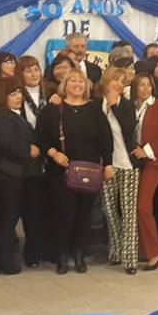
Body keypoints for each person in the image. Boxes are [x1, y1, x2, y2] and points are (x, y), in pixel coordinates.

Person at [36, 68, 114, 274]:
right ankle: (62, 255)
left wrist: (108, 164)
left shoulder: (94, 109)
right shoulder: (53, 109)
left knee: (84, 214)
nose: (77, 84)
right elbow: (40, 137)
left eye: (81, 81)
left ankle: (79, 253)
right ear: (65, 85)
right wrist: (54, 153)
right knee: (64, 214)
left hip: (90, 171)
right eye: (73, 80)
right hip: (61, 171)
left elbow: (106, 139)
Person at [0, 77, 45, 274]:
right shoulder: (3, 116)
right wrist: (29, 150)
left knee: (7, 218)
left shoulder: (12, 114)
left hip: (15, 174)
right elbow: (6, 142)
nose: (18, 97)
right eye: (13, 94)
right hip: (8, 175)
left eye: (19, 93)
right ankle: (3, 261)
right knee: (7, 219)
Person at [97, 67, 141, 274]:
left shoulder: (126, 105)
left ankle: (130, 258)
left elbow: (129, 128)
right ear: (106, 81)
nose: (119, 84)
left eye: (122, 81)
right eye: (115, 79)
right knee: (108, 208)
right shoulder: (96, 105)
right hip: (106, 163)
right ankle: (115, 250)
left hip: (128, 164)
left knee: (129, 211)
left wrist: (115, 105)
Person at [131, 72, 158, 270]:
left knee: (143, 206)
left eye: (148, 85)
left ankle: (155, 252)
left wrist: (147, 151)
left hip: (154, 161)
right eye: (141, 85)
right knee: (136, 207)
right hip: (134, 161)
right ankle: (144, 248)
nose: (145, 88)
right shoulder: (132, 106)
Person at [15, 55, 52, 267]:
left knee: (49, 207)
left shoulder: (50, 93)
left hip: (50, 157)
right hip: (29, 159)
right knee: (32, 208)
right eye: (28, 70)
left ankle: (48, 248)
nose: (33, 74)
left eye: (36, 69)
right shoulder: (17, 96)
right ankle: (33, 252)